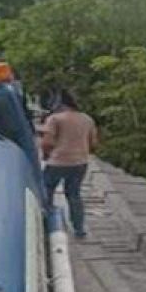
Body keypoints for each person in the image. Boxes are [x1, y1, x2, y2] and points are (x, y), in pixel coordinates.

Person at [40, 92, 98, 238]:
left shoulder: (54, 119)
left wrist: (46, 155)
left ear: (60, 103)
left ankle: (47, 222)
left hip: (58, 161)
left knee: (47, 189)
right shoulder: (87, 119)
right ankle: (79, 228)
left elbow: (47, 142)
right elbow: (93, 143)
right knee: (74, 194)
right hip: (80, 162)